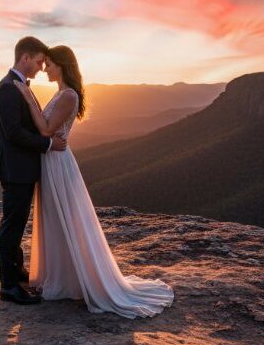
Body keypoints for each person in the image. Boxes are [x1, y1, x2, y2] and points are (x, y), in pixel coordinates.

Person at [13, 45, 174, 318]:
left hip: (57, 163)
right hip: (52, 160)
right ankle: (63, 276)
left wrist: (28, 98)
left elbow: (47, 130)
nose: (46, 69)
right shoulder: (61, 93)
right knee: (56, 217)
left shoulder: (68, 95)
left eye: (50, 64)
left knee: (63, 216)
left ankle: (72, 279)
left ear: (62, 66)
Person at [0, 36, 67, 305]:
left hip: (22, 168)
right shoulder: (7, 89)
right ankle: (8, 287)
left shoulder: (19, 86)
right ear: (25, 58)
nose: (40, 67)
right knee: (12, 226)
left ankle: (17, 270)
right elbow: (13, 133)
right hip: (15, 169)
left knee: (19, 222)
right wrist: (48, 144)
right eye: (38, 62)